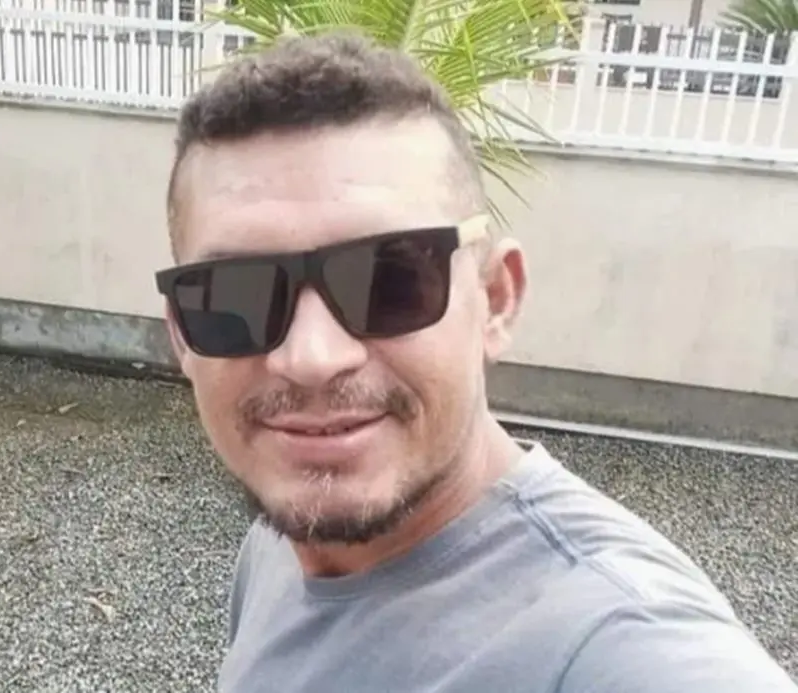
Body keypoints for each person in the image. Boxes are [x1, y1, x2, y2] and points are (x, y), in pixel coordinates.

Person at [153, 31, 797, 693]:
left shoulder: (621, 641)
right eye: (234, 295)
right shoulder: (284, 535)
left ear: (496, 299)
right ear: (181, 334)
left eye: (388, 281)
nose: (312, 356)